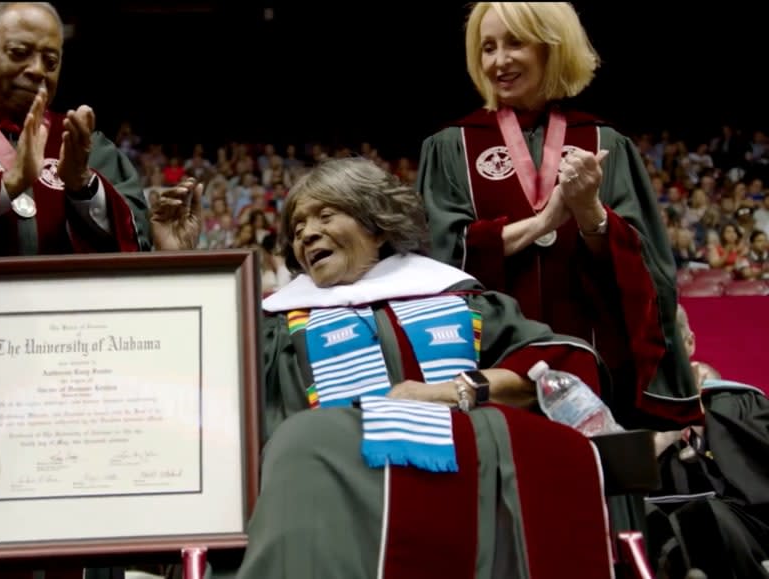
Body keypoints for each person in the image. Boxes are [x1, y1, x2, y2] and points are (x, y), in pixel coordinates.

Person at [154, 157, 624, 578]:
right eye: (297, 228)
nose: (306, 233)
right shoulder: (280, 323)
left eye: (324, 215)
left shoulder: (457, 300)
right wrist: (181, 264)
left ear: (376, 225)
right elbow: (204, 368)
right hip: (331, 503)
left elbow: (563, 365)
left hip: (464, 488)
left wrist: (452, 391)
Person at [416, 2, 700, 431]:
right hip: (490, 364)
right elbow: (436, 258)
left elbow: (649, 269)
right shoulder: (449, 148)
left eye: (514, 43)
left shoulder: (606, 143)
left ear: (552, 47)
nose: (498, 60)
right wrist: (542, 224)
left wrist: (590, 215)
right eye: (487, 47)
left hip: (597, 367)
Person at [0, 2, 158, 257]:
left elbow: (136, 238)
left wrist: (82, 185)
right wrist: (9, 185)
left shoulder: (84, 145)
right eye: (19, 52)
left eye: (51, 61)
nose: (37, 70)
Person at [646, 305, 769, 578]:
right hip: (657, 534)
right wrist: (671, 429)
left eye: (663, 343)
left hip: (734, 530)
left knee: (705, 516)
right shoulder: (620, 414)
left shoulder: (739, 403)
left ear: (689, 342)